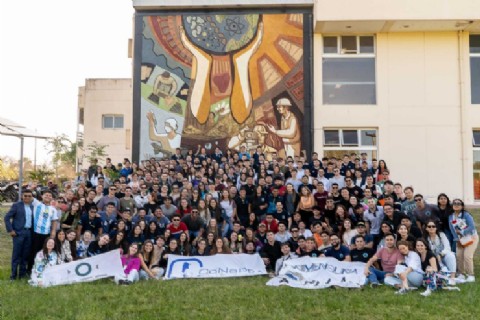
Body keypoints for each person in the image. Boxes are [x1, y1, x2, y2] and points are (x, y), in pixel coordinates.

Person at [4, 190, 35, 280]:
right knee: (16, 255)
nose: (27, 197)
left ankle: (22, 275)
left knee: (25, 255)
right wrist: (10, 230)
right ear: (22, 196)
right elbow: (7, 218)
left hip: (29, 233)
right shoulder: (16, 206)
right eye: (25, 196)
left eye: (29, 196)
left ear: (31, 197)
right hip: (18, 233)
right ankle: (13, 276)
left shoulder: (32, 207)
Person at [449, 199, 478, 282]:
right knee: (459, 255)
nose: (456, 205)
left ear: (462, 206)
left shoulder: (466, 215)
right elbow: (452, 229)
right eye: (454, 203)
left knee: (467, 256)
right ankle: (461, 274)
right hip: (460, 239)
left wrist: (462, 232)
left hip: (471, 237)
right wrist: (457, 239)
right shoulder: (451, 217)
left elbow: (472, 227)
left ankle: (471, 275)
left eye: (459, 203)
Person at [29, 190, 59, 273]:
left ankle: (43, 269)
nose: (48, 196)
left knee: (45, 252)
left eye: (50, 195)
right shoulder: (37, 204)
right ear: (42, 196)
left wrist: (53, 233)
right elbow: (29, 196)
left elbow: (54, 222)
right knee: (34, 251)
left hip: (46, 234)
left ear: (52, 198)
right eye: (46, 195)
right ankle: (31, 269)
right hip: (36, 233)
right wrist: (32, 189)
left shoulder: (53, 209)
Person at [424, 219, 456, 284]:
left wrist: (440, 255)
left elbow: (447, 248)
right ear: (426, 228)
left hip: (443, 256)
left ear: (436, 228)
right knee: (443, 272)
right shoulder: (425, 238)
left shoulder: (441, 235)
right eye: (429, 226)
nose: (431, 228)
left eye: (433, 226)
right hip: (433, 259)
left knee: (451, 255)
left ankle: (453, 278)